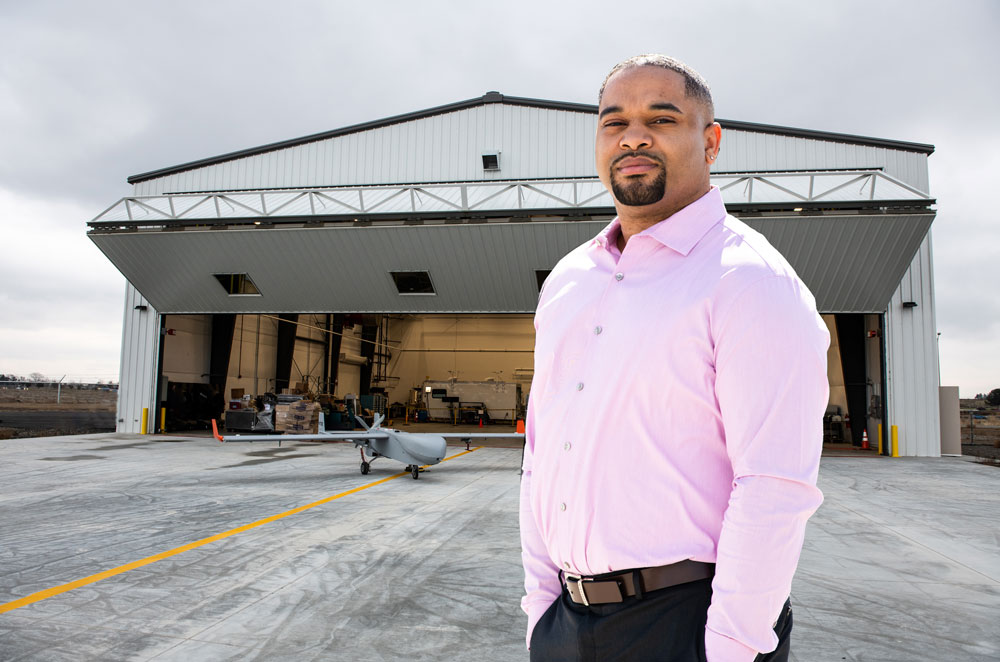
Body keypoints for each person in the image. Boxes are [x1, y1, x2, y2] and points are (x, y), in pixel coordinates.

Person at [519, 54, 830, 662]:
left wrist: (730, 647)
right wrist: (539, 610)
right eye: (614, 123)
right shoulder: (569, 281)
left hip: (687, 623)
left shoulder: (749, 281)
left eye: (661, 118)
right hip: (566, 622)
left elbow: (773, 483)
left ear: (710, 141)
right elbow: (541, 455)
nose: (633, 135)